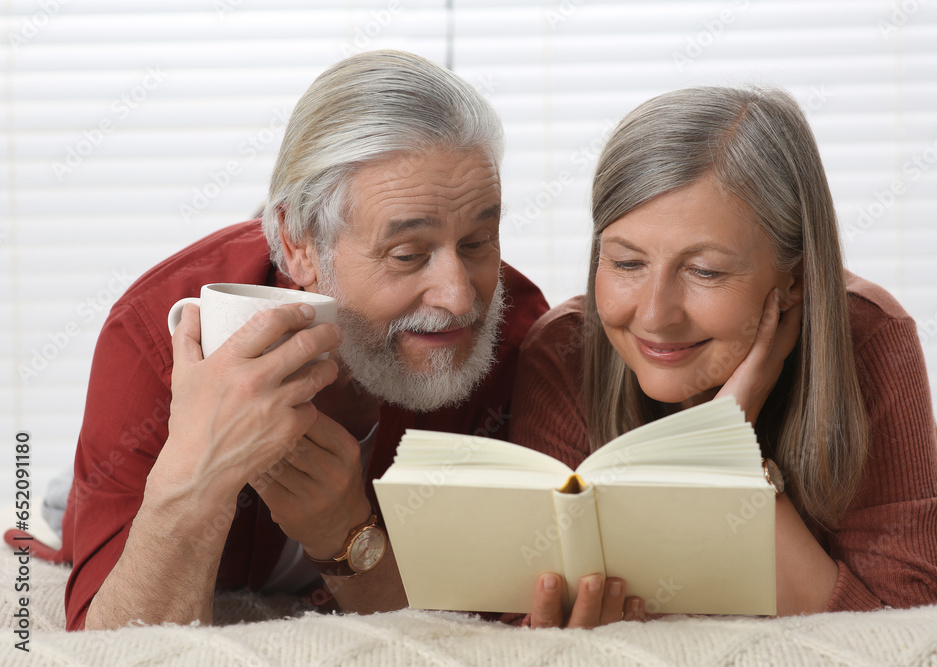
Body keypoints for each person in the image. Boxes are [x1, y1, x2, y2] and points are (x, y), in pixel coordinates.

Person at [25, 50, 549, 631]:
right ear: (299, 244)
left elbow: (498, 615)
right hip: (97, 488)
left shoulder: (519, 335)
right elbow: (111, 642)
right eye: (407, 254)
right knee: (63, 502)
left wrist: (346, 536)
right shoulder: (155, 333)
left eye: (478, 242)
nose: (458, 297)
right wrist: (201, 473)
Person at [509, 85, 937, 628]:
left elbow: (906, 627)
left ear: (795, 278)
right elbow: (523, 606)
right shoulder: (563, 350)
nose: (656, 316)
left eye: (705, 271)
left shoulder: (870, 337)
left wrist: (726, 450)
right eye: (627, 263)